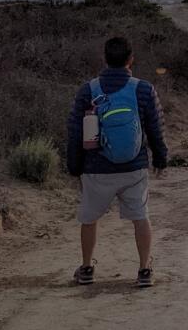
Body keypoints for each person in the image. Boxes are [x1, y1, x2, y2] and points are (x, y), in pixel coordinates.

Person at [66, 36, 168, 288]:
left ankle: (87, 268)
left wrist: (74, 166)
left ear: (104, 58)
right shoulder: (143, 89)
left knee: (89, 218)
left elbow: (75, 132)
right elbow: (156, 127)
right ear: (131, 59)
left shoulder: (88, 90)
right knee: (140, 217)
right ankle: (144, 270)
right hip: (134, 168)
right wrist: (161, 157)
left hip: (96, 169)